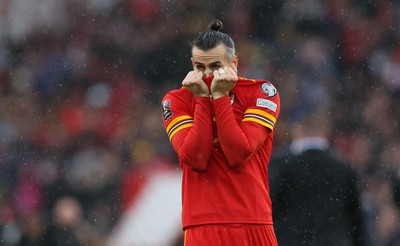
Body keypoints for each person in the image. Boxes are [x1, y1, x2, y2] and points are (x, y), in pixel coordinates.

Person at [161, 19, 280, 245]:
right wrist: (203, 99)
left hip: (253, 223)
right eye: (200, 67)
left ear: (233, 62)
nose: (207, 75)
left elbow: (238, 152)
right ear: (192, 64)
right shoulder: (175, 100)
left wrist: (220, 97)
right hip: (202, 225)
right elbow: (196, 157)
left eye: (215, 66)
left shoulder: (261, 92)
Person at [269, 106, 365, 245]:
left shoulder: (282, 165)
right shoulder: (344, 168)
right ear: (326, 131)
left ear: (298, 129)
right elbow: (357, 220)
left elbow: (267, 207)